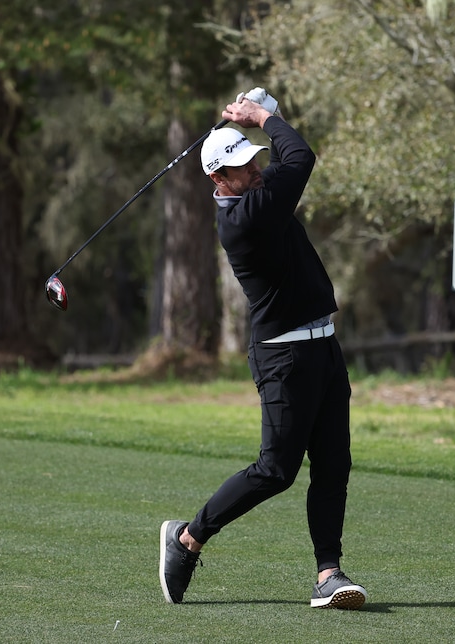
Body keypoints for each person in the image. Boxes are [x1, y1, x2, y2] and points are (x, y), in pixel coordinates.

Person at [158, 88, 367, 610]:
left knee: (334, 465)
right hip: (283, 357)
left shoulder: (256, 193)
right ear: (217, 179)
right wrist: (262, 115)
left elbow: (287, 156)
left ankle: (328, 574)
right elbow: (301, 156)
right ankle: (187, 538)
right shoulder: (246, 217)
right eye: (242, 166)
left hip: (323, 349)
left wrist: (258, 113)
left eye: (254, 161)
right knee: (275, 469)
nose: (255, 170)